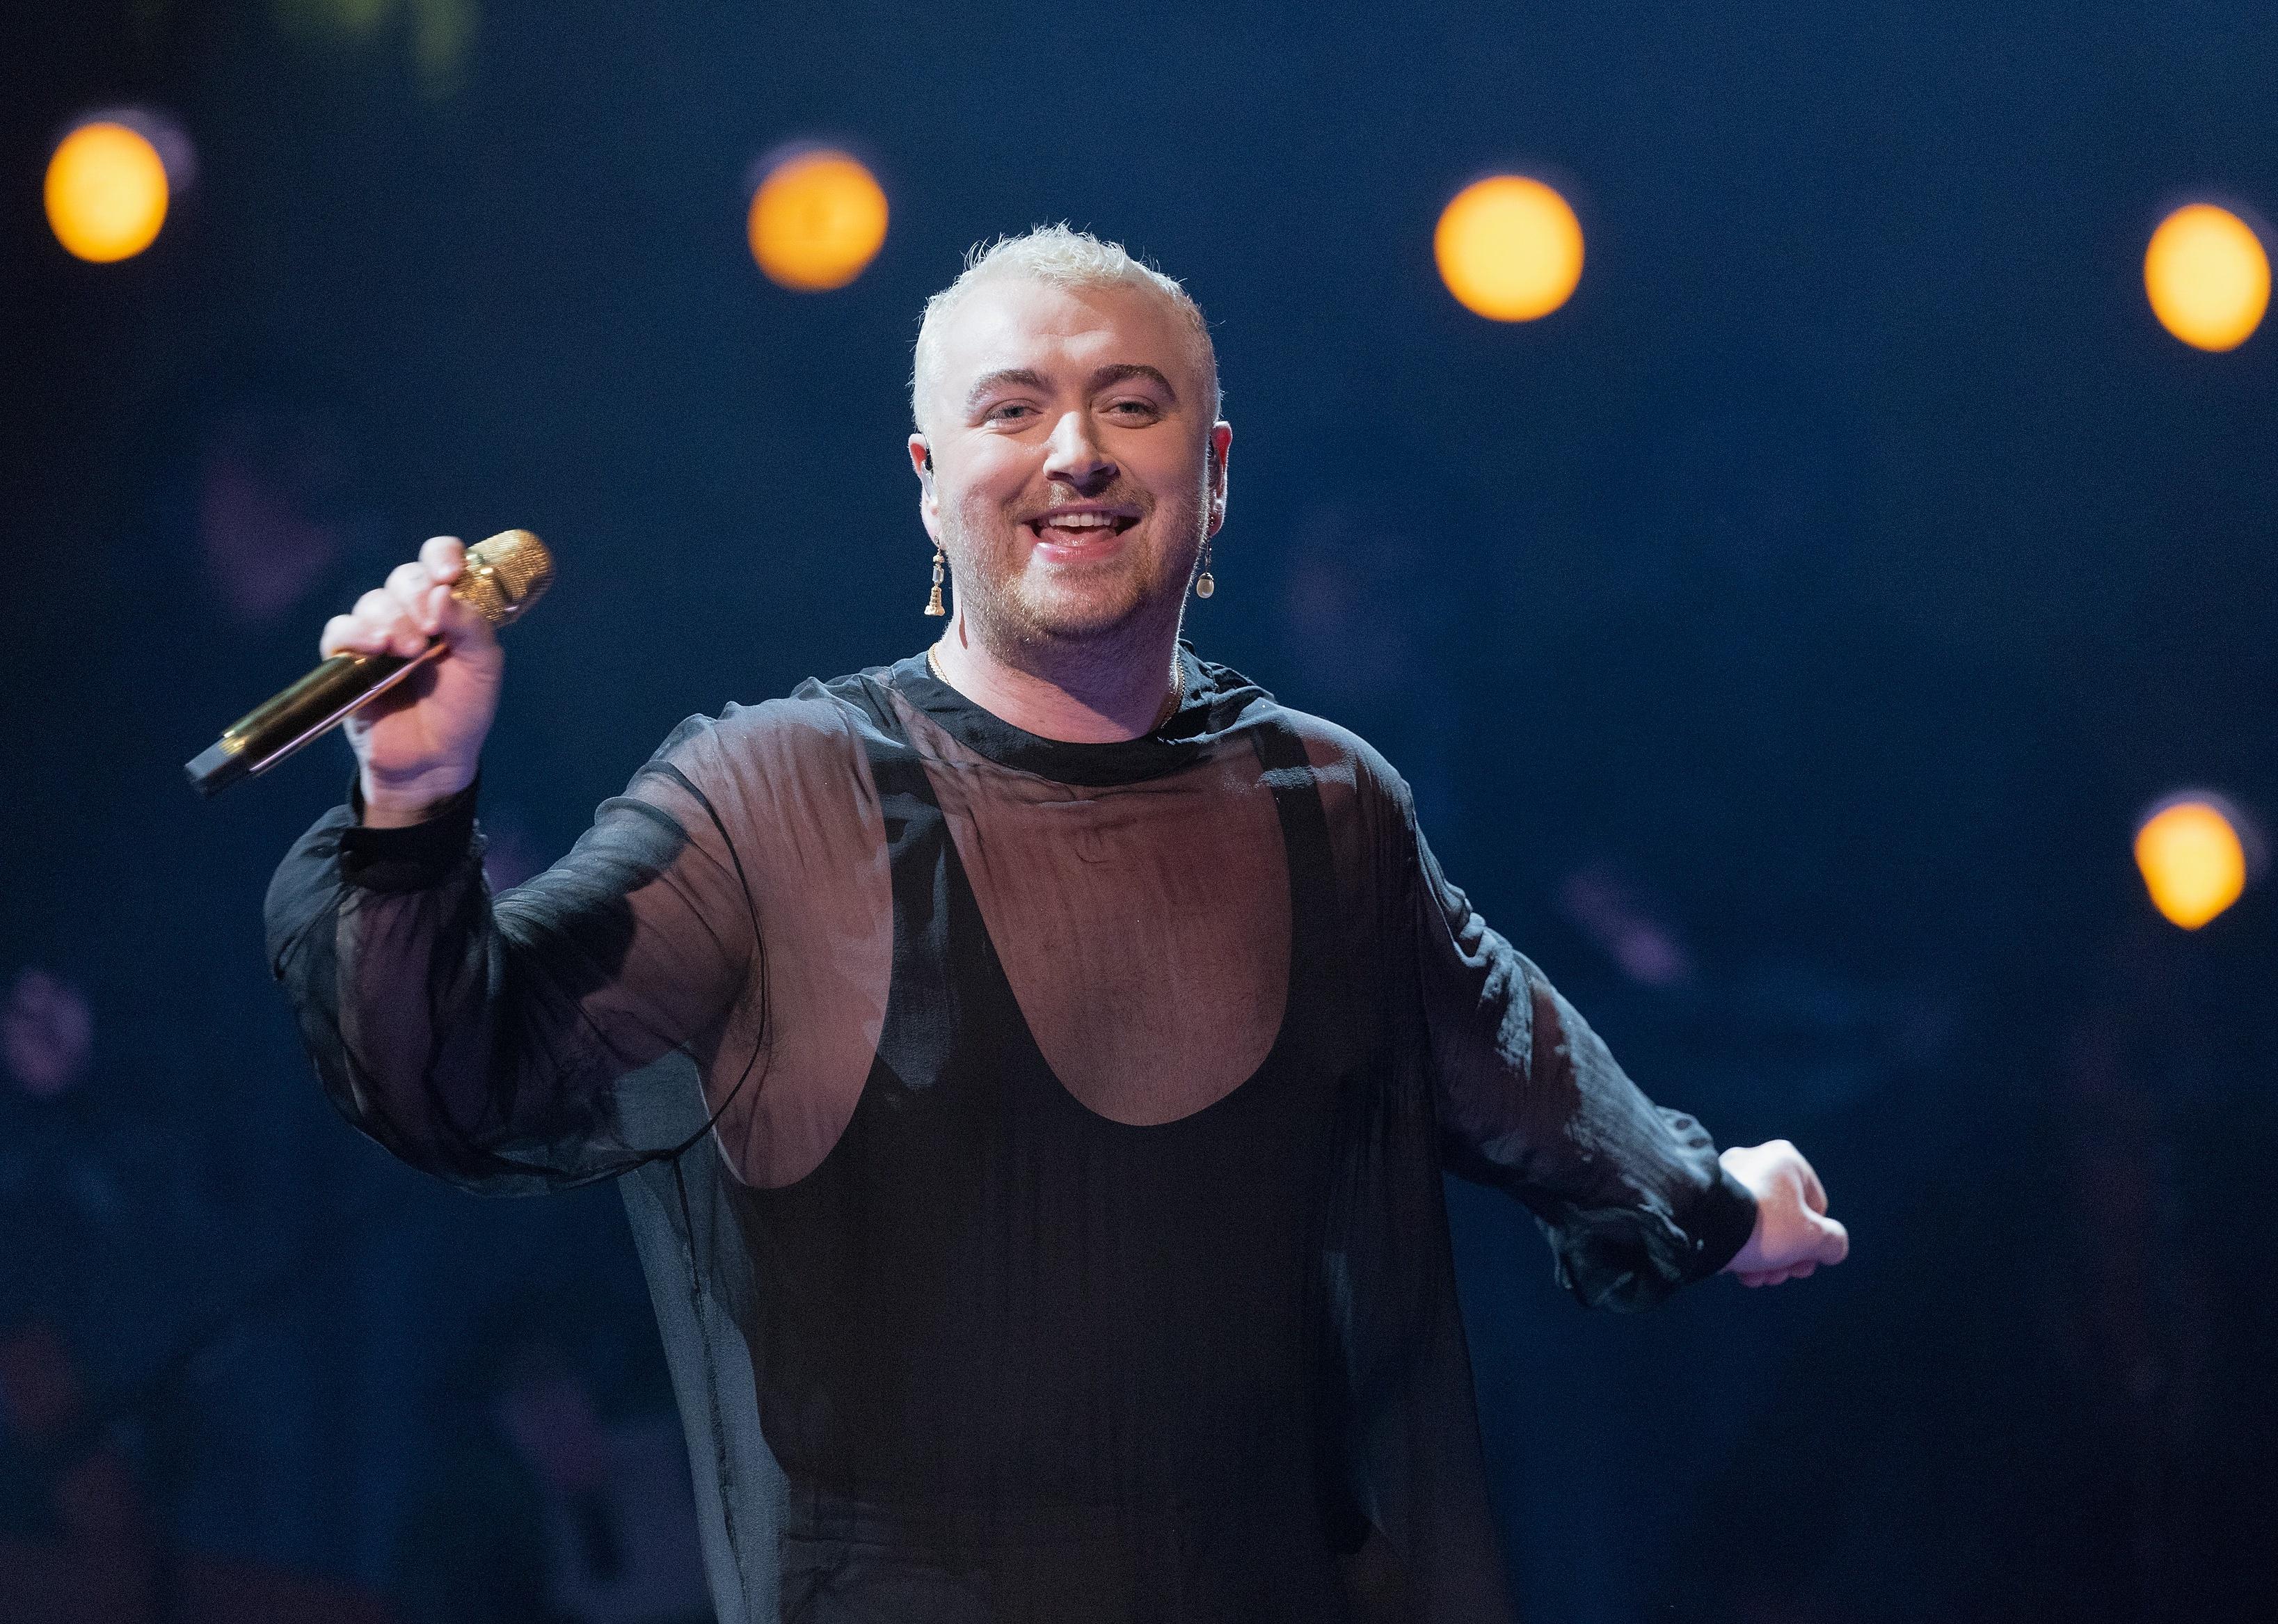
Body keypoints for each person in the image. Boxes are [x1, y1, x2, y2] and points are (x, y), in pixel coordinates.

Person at [265, 226, 1849, 1623]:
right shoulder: (784, 797)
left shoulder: (1322, 806)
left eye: (1130, 404)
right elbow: (457, 1075)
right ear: (929, 481)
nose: (1074, 450)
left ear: (1214, 474)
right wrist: (414, 798)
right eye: (1011, 408)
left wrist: (1710, 1197)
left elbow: (1512, 1064)